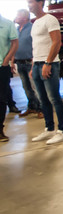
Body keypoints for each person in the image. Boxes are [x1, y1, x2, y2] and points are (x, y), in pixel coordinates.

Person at [27, 0, 63, 145]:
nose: (29, 5)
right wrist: (33, 66)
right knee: (43, 99)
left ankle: (62, 131)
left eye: (31, 2)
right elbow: (36, 46)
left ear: (40, 3)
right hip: (37, 64)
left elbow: (56, 42)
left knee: (54, 98)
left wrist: (48, 63)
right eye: (28, 3)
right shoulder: (35, 22)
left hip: (48, 64)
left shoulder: (50, 19)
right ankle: (49, 128)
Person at [11, 9, 42, 117]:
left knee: (35, 87)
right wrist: (12, 62)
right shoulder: (16, 29)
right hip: (19, 62)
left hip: (30, 62)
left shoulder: (32, 28)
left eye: (18, 15)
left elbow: (36, 46)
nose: (16, 17)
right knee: (26, 87)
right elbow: (14, 46)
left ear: (24, 18)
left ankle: (41, 109)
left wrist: (34, 62)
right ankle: (32, 107)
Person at [0, 12, 19, 142]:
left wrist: (7, 60)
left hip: (2, 67)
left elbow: (15, 43)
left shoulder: (7, 24)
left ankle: (0, 130)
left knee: (1, 99)